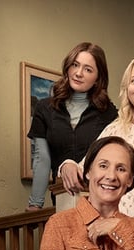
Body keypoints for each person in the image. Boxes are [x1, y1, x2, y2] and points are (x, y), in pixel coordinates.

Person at [59, 56, 134, 226]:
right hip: (116, 230)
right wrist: (67, 165)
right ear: (127, 88)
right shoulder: (114, 130)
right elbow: (86, 167)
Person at [26, 42, 118, 211]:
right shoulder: (44, 108)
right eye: (75, 65)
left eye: (88, 69)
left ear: (98, 78)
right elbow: (42, 158)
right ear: (68, 66)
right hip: (62, 198)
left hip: (99, 201)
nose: (78, 73)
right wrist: (35, 204)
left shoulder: (109, 113)